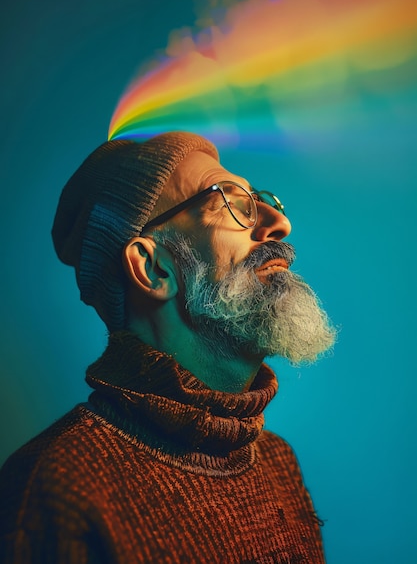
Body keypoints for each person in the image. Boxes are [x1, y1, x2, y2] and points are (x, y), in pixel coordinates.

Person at [0, 131, 335, 563]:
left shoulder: (276, 463)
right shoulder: (55, 485)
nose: (277, 223)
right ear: (154, 268)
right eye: (232, 201)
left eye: (263, 199)